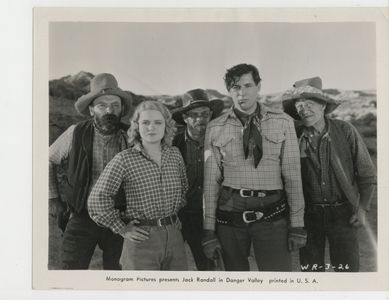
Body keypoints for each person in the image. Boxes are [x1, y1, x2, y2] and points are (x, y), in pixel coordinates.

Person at [202, 63, 307, 271]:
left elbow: (293, 176)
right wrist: (208, 230)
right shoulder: (215, 127)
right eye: (235, 87)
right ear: (229, 91)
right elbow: (211, 182)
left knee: (277, 281)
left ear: (258, 86)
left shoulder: (283, 122)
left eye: (248, 85)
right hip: (230, 215)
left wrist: (297, 224)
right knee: (236, 282)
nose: (242, 93)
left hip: (271, 215)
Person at [282, 76, 377, 272]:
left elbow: (367, 174)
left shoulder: (345, 130)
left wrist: (362, 209)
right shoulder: (292, 135)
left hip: (343, 214)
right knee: (311, 273)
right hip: (308, 216)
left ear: (323, 105)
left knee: (347, 273)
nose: (303, 108)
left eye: (309, 103)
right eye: (299, 104)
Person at [88, 100, 189, 270]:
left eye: (158, 122)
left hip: (174, 237)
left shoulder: (175, 155)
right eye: (145, 122)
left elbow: (183, 188)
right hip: (142, 238)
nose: (152, 128)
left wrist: (173, 218)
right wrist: (121, 228)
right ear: (136, 126)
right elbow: (97, 199)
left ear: (167, 126)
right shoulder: (124, 159)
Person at [49, 73, 132, 269]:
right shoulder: (75, 132)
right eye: (102, 105)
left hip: (120, 218)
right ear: (92, 110)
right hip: (81, 216)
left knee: (118, 276)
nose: (109, 110)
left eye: (115, 105)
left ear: (121, 110)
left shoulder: (131, 137)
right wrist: (53, 199)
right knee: (70, 273)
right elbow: (48, 159)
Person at [172, 88, 224, 270]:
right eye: (194, 115)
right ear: (185, 118)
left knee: (208, 267)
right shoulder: (172, 144)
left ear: (211, 115)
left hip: (208, 216)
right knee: (171, 267)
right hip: (178, 215)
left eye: (204, 114)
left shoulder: (220, 142)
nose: (200, 119)